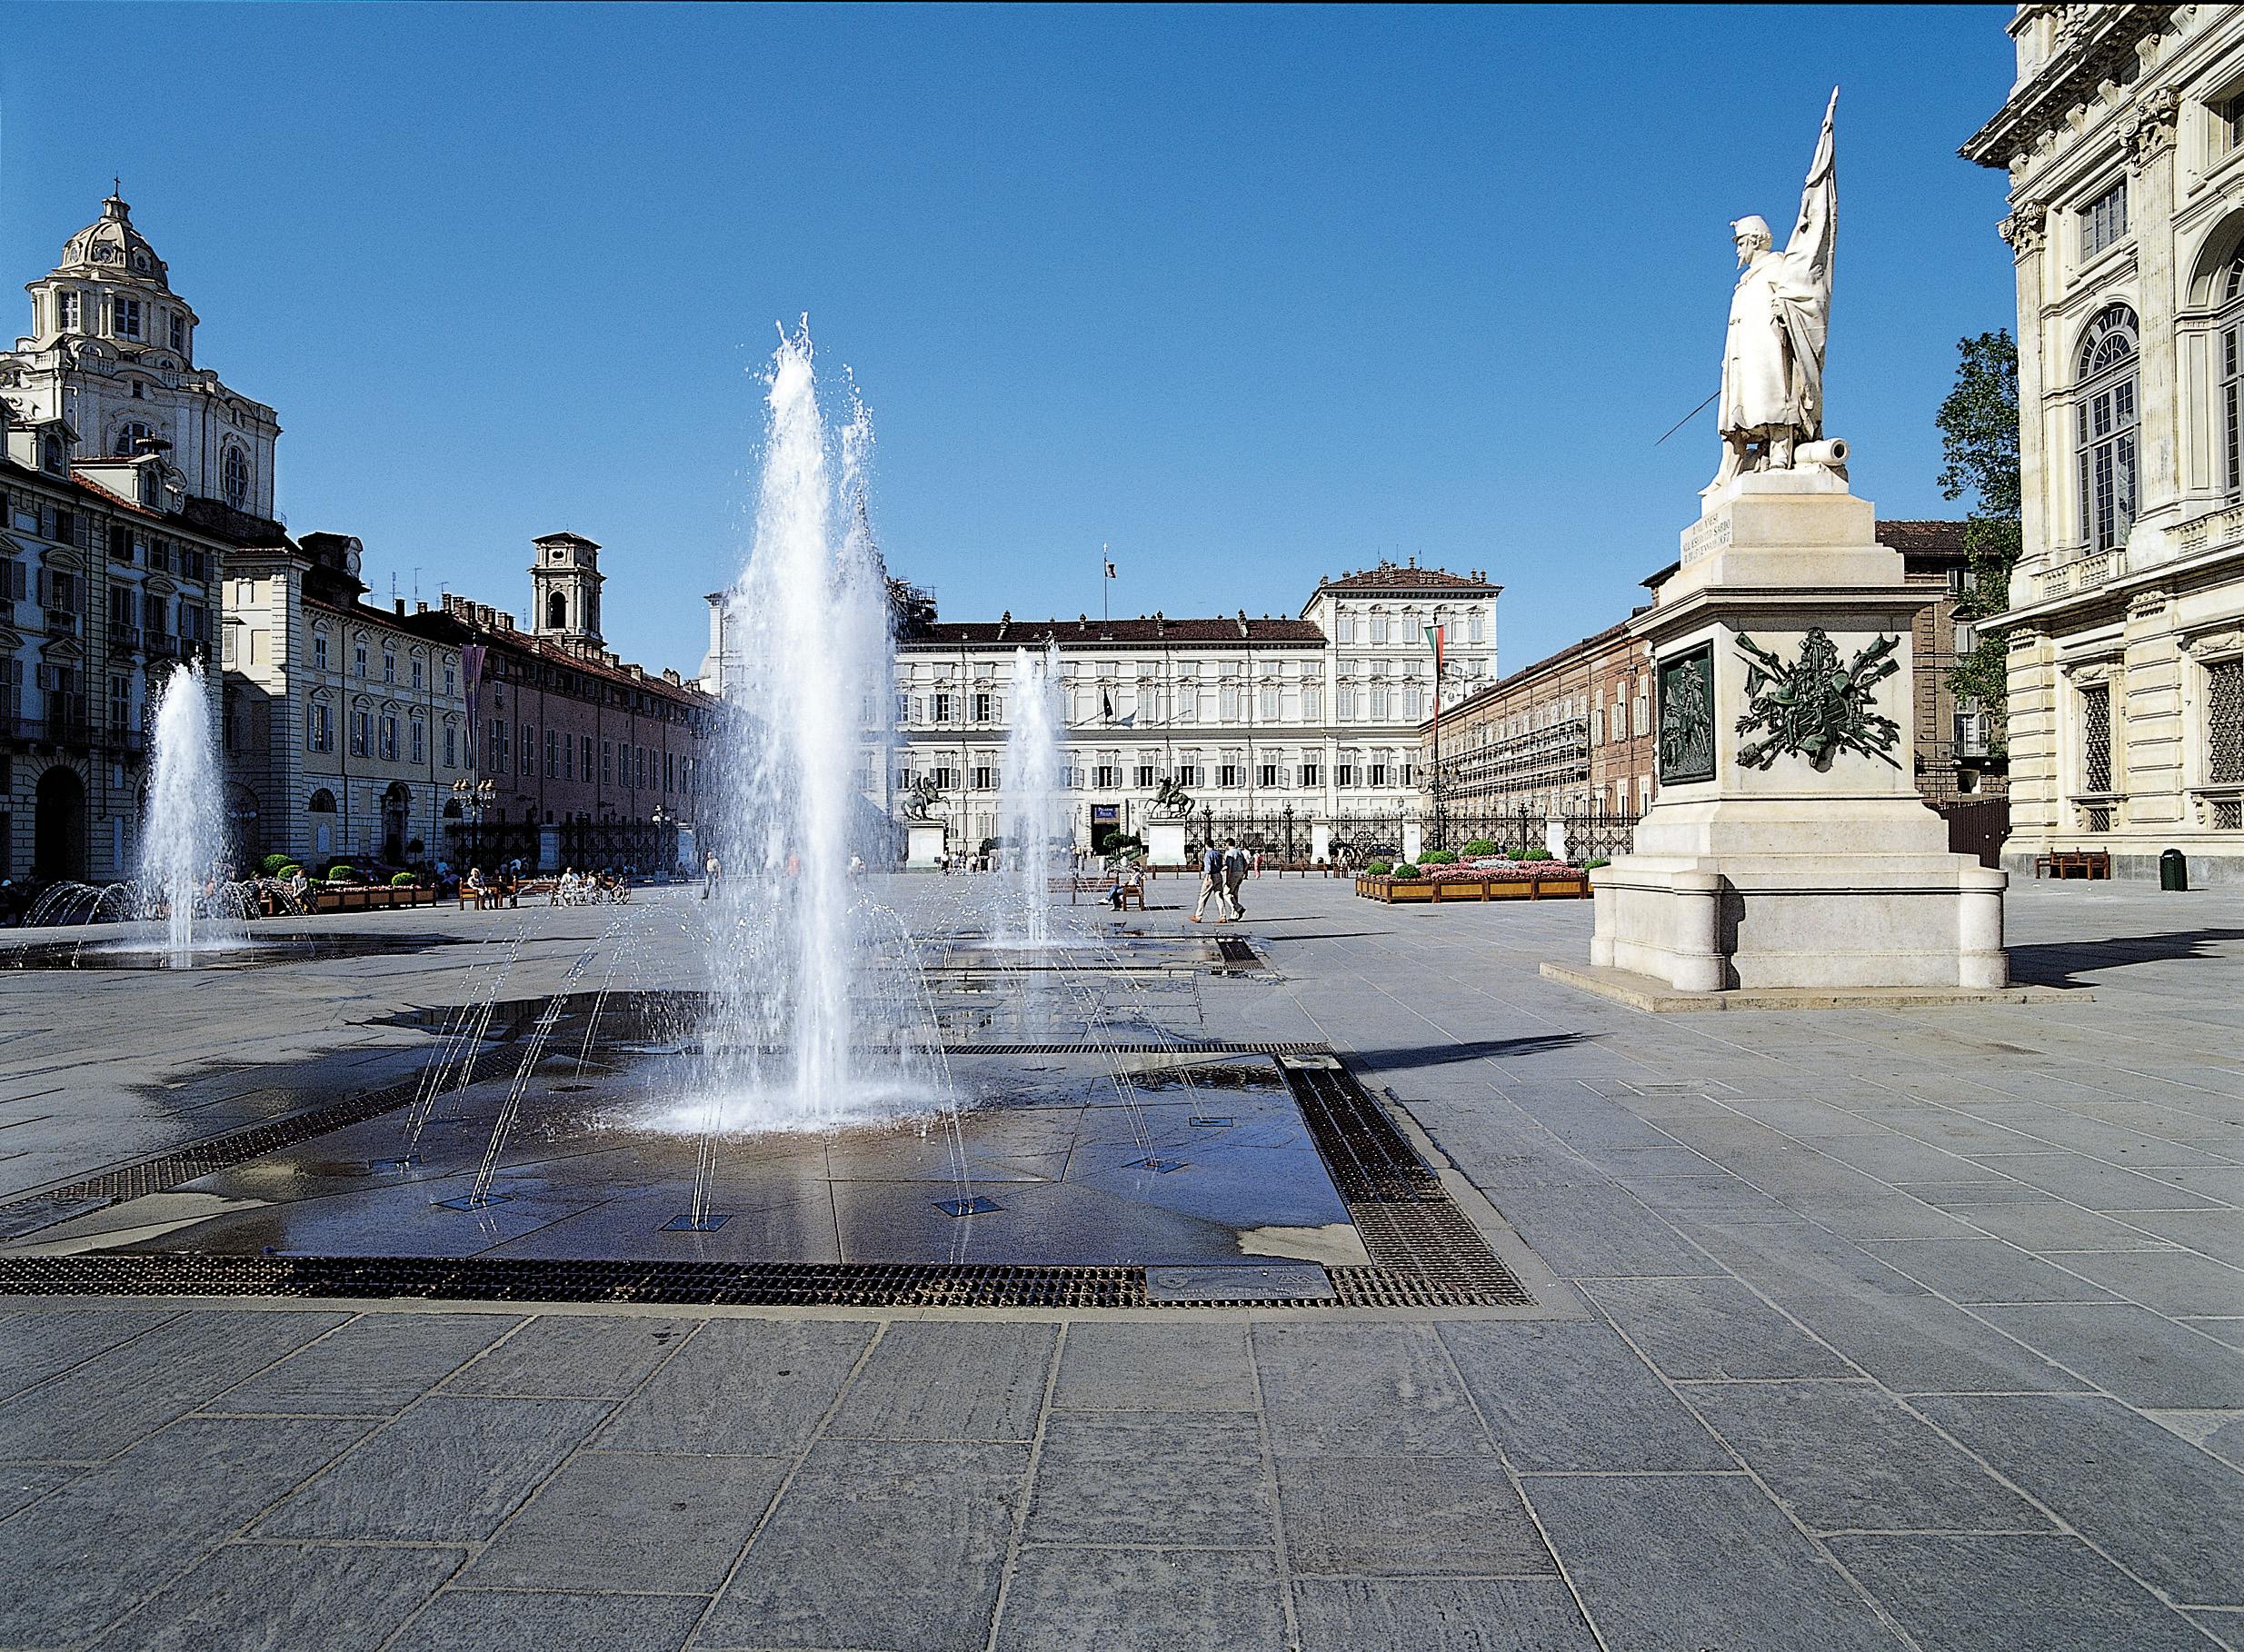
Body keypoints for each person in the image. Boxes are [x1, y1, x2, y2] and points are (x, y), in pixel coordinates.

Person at [1190, 841, 1224, 923]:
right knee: (1219, 896)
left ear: (1206, 846)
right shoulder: (1218, 853)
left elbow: (1208, 867)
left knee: (1203, 896)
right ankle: (1223, 916)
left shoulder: (1208, 854)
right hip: (1218, 875)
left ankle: (1198, 916)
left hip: (1211, 876)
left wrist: (1207, 879)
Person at [1221, 838, 1249, 921]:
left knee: (1226, 893)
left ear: (1228, 844)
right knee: (1234, 893)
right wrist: (1243, 872)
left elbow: (1229, 866)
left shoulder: (1229, 853)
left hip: (1233, 873)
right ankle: (1235, 915)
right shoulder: (1239, 851)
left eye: (1226, 844)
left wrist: (1227, 878)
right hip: (1240, 873)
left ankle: (1238, 908)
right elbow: (1247, 863)